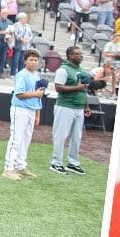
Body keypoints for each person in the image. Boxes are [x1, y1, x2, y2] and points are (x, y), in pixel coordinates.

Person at [4, 50, 46, 180]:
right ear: (25, 61)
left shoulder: (37, 75)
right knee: (16, 139)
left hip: (32, 110)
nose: (34, 62)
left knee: (26, 139)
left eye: (35, 60)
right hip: (20, 109)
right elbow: (19, 94)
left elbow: (38, 95)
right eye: (31, 59)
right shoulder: (22, 75)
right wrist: (36, 95)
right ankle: (8, 168)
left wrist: (38, 114)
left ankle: (21, 166)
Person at [49, 46, 91, 175]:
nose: (80, 55)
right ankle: (56, 163)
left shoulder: (81, 70)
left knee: (76, 137)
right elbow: (58, 88)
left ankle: (73, 163)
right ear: (70, 56)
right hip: (65, 106)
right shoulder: (63, 70)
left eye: (81, 53)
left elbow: (84, 90)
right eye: (77, 54)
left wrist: (86, 106)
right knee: (61, 135)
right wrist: (77, 88)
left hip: (79, 107)